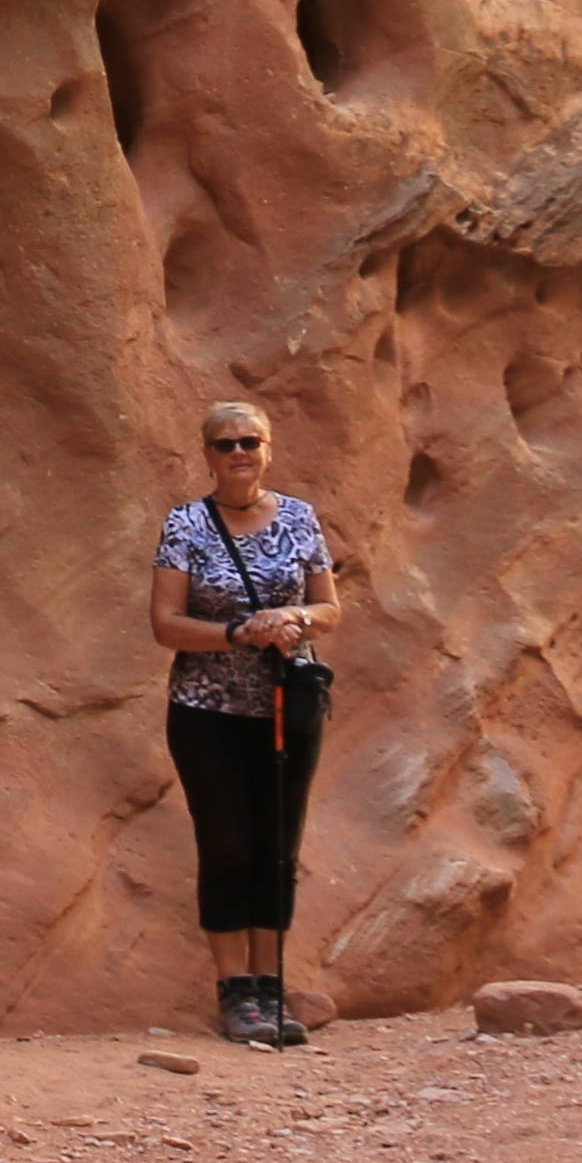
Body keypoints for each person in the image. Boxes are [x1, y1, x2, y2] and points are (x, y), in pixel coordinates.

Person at [148, 397, 337, 1050]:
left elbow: (330, 607)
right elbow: (166, 624)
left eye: (249, 441)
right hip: (207, 712)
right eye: (225, 444)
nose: (238, 454)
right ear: (206, 455)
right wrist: (238, 631)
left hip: (287, 707)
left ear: (268, 449)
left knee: (277, 847)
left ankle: (270, 984)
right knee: (226, 847)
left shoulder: (302, 519)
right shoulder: (186, 526)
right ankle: (234, 990)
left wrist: (296, 622)